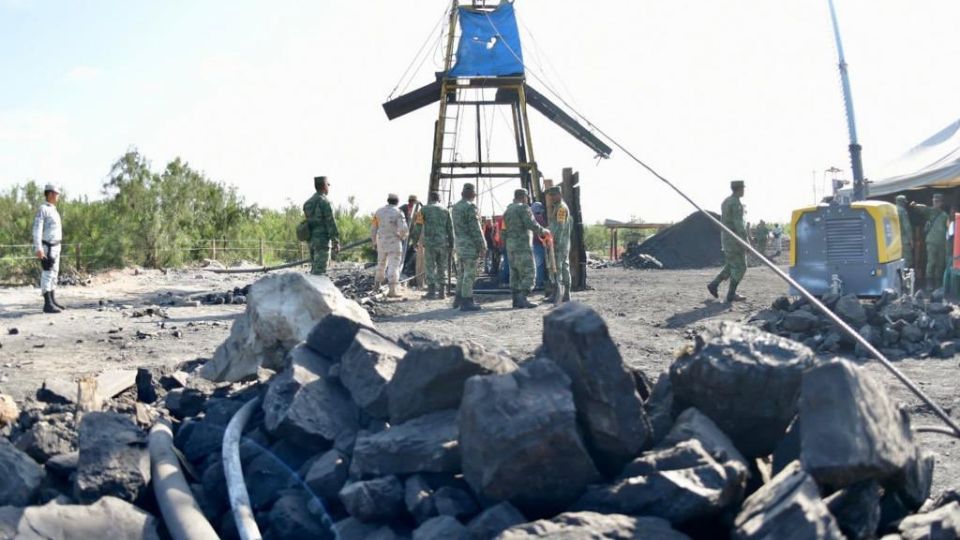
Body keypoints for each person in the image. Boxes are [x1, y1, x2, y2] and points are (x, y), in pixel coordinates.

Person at [502, 189, 550, 309]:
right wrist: (544, 231)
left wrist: (506, 243)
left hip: (510, 246)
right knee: (529, 272)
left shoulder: (507, 210)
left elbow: (503, 231)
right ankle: (523, 298)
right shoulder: (523, 208)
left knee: (515, 273)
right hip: (522, 246)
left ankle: (515, 299)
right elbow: (531, 224)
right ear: (524, 197)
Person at [707, 180, 748, 302]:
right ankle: (731, 294)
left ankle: (714, 284)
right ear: (739, 189)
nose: (744, 191)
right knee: (741, 266)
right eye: (743, 188)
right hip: (735, 240)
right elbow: (739, 225)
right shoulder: (735, 203)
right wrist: (745, 242)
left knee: (731, 265)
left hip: (726, 239)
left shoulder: (726, 201)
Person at [409, 191, 454, 299]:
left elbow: (418, 227)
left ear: (430, 199)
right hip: (443, 243)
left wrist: (414, 241)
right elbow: (450, 228)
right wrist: (452, 244)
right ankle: (442, 292)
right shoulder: (445, 210)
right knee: (442, 267)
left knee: (430, 266)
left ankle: (431, 292)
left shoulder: (423, 210)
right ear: (439, 199)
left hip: (429, 244)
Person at [451, 183, 486, 312]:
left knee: (461, 273)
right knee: (469, 274)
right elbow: (475, 228)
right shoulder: (470, 207)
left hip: (459, 244)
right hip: (470, 245)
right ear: (472, 194)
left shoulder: (456, 207)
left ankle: (458, 299)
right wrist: (482, 245)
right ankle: (467, 301)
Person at [33, 183, 64, 314]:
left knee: (54, 273)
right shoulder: (43, 209)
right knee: (47, 274)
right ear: (50, 194)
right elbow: (37, 229)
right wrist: (38, 247)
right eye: (56, 194)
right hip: (48, 247)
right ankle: (47, 304)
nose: (57, 196)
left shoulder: (54, 209)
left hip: (56, 246)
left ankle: (52, 299)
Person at [371, 193, 409, 298]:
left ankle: (376, 286)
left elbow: (373, 228)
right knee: (393, 266)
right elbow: (403, 229)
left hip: (381, 242)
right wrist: (403, 237)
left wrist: (374, 241)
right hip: (394, 243)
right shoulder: (398, 212)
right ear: (397, 202)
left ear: (388, 201)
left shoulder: (378, 212)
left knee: (381, 263)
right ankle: (392, 291)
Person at [303, 176, 340, 275]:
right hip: (322, 242)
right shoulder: (325, 202)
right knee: (319, 272)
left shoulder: (308, 203)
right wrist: (335, 242)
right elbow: (331, 223)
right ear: (324, 186)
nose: (328, 187)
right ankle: (315, 290)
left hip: (311, 241)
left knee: (314, 268)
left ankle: (311, 289)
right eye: (328, 185)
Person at [911, 193, 948, 291]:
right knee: (931, 262)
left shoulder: (944, 215)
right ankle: (929, 283)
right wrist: (915, 205)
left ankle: (938, 284)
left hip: (942, 243)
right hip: (931, 242)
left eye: (938, 201)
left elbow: (948, 229)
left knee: (940, 264)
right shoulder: (930, 212)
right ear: (933, 201)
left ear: (941, 203)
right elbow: (922, 208)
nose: (936, 203)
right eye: (935, 201)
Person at [546, 186, 573, 303]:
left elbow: (560, 227)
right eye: (550, 195)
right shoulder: (557, 207)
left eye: (553, 195)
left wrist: (553, 241)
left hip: (559, 244)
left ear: (559, 194)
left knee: (557, 269)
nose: (551, 198)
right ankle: (564, 294)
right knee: (562, 268)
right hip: (561, 243)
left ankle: (560, 294)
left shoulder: (561, 208)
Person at [399, 195, 420, 277]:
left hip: (410, 234)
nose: (413, 203)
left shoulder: (416, 210)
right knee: (401, 250)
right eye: (412, 201)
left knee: (408, 250)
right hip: (403, 233)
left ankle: (403, 267)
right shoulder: (404, 207)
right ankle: (399, 268)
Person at [531, 202, 548, 290]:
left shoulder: (531, 218)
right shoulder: (539, 218)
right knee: (539, 264)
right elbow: (544, 229)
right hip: (538, 244)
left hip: (532, 244)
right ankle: (539, 283)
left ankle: (537, 282)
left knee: (535, 264)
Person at [895, 195, 913, 268]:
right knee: (907, 259)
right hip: (904, 239)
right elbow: (907, 226)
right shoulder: (902, 211)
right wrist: (911, 239)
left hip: (894, 240)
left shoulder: (892, 209)